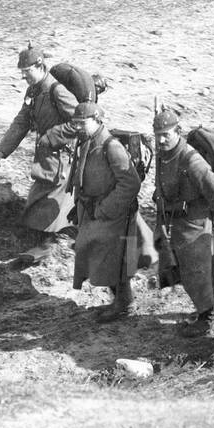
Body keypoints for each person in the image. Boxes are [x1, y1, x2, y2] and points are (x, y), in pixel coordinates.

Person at [0, 43, 78, 261]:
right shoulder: (33, 91)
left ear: (40, 66)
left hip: (61, 161)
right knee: (33, 206)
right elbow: (21, 121)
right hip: (45, 160)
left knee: (52, 205)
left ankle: (52, 244)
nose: (23, 76)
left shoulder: (57, 91)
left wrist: (53, 136)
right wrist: (3, 149)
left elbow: (79, 121)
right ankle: (46, 241)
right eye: (21, 72)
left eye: (26, 71)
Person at [69, 102, 152, 323]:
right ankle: (120, 302)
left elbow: (130, 183)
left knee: (115, 260)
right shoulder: (88, 141)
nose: (77, 127)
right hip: (93, 211)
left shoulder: (111, 146)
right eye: (75, 123)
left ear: (97, 121)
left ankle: (125, 304)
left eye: (81, 122)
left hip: (111, 215)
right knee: (101, 258)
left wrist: (106, 208)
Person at [153, 107, 214, 335]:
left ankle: (207, 318)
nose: (161, 139)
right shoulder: (163, 155)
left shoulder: (192, 160)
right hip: (174, 222)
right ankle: (203, 310)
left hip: (195, 223)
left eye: (166, 133)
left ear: (178, 131)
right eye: (158, 134)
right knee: (184, 272)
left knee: (198, 272)